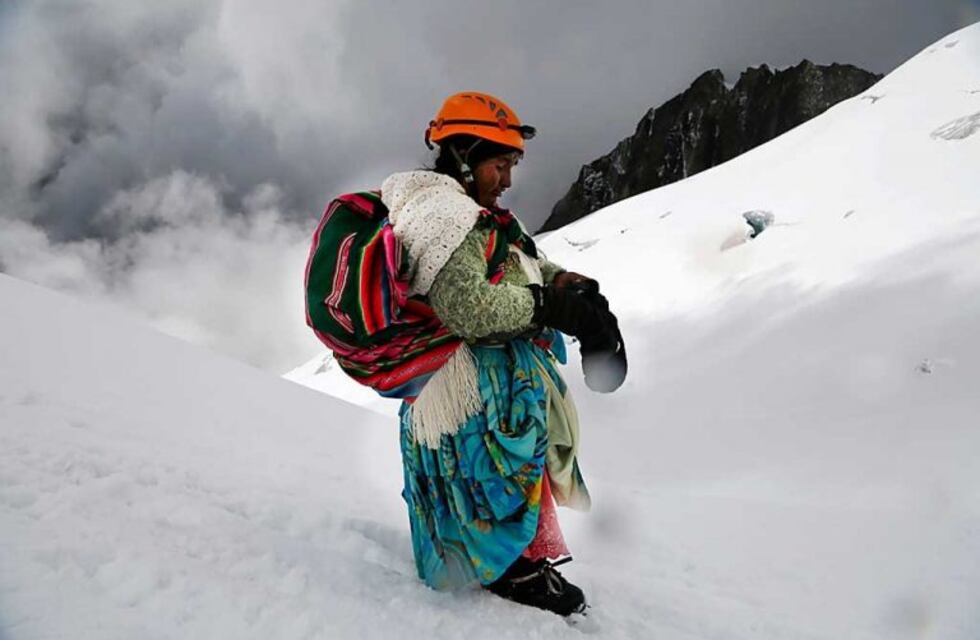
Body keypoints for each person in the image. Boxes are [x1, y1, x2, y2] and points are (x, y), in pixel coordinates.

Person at [380, 92, 620, 617]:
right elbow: (468, 307)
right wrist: (553, 308)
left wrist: (565, 282)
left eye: (510, 165)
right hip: (461, 393)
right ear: (464, 155)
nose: (507, 179)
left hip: (475, 385)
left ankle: (512, 560)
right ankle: (506, 570)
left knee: (503, 469)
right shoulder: (443, 215)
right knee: (490, 471)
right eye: (499, 164)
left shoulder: (465, 210)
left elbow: (515, 258)